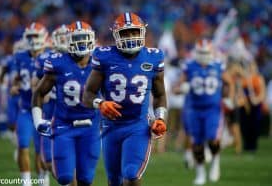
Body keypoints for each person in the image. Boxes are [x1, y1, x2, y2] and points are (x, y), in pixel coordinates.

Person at [82, 12, 167, 186]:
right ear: (116, 35)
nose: (130, 37)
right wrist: (100, 103)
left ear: (142, 32)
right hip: (110, 127)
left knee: (131, 174)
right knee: (114, 180)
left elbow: (159, 95)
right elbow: (88, 94)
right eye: (125, 33)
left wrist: (160, 118)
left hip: (138, 126)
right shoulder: (104, 56)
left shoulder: (153, 57)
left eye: (134, 32)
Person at [32, 21, 100, 186]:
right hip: (64, 125)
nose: (80, 42)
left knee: (85, 180)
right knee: (64, 177)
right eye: (76, 38)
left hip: (91, 126)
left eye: (84, 38)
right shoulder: (58, 62)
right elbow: (39, 92)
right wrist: (38, 121)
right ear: (67, 40)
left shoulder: (101, 62)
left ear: (92, 39)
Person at [178, 39, 234, 185]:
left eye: (206, 52)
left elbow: (229, 82)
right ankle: (200, 173)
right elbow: (175, 87)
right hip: (194, 109)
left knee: (213, 139)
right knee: (196, 144)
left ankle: (215, 160)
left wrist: (228, 97)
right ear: (196, 52)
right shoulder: (189, 66)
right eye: (201, 52)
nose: (204, 55)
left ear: (211, 52)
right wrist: (182, 88)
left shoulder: (218, 66)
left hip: (213, 109)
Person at [12, 22, 48, 186]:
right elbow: (17, 77)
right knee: (23, 146)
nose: (33, 40)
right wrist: (14, 85)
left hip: (43, 110)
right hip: (26, 109)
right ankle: (26, 182)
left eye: (36, 36)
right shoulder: (20, 56)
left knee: (41, 151)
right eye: (30, 36)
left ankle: (42, 180)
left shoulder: (50, 57)